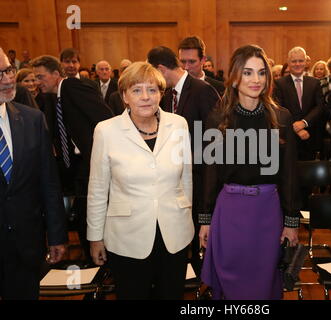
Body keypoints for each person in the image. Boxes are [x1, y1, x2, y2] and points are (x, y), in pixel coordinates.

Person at [199, 44, 299, 300]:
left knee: (264, 282)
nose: (256, 80)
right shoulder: (217, 119)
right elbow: (210, 175)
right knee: (230, 280)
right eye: (247, 73)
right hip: (228, 211)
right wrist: (205, 219)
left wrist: (291, 222)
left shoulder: (282, 117)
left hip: (268, 212)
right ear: (234, 77)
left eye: (261, 73)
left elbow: (289, 176)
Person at [87, 61, 194, 300]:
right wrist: (95, 237)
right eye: (136, 90)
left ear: (161, 94)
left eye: (152, 89)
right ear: (124, 96)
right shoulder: (106, 131)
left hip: (174, 235)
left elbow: (186, 179)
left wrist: (187, 219)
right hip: (127, 237)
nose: (145, 97)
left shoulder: (179, 125)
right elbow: (97, 189)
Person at [31, 55, 113, 262]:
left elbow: (105, 118)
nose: (37, 82)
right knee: (83, 219)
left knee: (90, 218)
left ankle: (101, 265)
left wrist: (97, 151)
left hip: (92, 165)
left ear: (56, 74)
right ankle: (95, 263)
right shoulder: (53, 98)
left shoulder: (72, 87)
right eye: (35, 77)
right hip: (77, 167)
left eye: (41, 77)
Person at [147, 46, 220, 278]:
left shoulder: (202, 90)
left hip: (200, 177)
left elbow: (215, 140)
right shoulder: (167, 94)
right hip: (173, 179)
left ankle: (206, 281)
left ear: (160, 69)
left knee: (203, 235)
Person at [0, 47, 67, 299]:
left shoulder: (32, 119)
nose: (7, 79)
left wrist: (57, 235)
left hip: (26, 246)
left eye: (8, 70)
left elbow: (48, 183)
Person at [273, 46, 324, 160]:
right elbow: (278, 109)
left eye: (300, 61)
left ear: (306, 62)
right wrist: (297, 128)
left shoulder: (315, 82)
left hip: (310, 136)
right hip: (289, 137)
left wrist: (304, 123)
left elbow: (320, 107)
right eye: (294, 61)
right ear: (288, 62)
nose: (297, 64)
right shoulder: (279, 84)